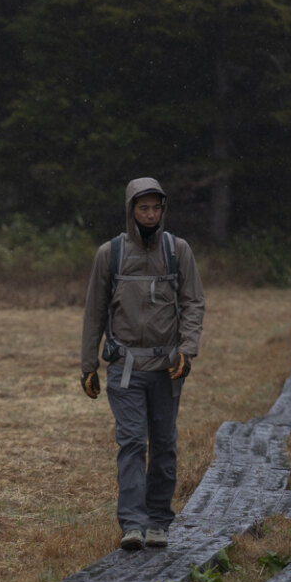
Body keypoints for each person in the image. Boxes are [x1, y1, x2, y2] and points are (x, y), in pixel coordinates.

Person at [79, 177, 206, 551]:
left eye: (155, 208)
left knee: (164, 444)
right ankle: (132, 524)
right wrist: (88, 365)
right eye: (143, 207)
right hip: (125, 368)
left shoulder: (177, 250)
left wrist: (188, 349)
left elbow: (194, 302)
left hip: (168, 368)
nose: (149, 215)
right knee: (132, 442)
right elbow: (94, 312)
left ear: (162, 211)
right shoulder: (111, 254)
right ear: (130, 210)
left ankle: (158, 521)